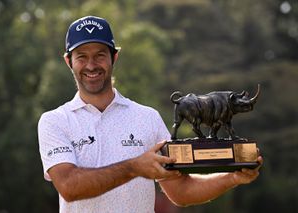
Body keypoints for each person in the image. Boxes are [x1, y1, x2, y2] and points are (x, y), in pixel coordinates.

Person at [38, 15, 263, 213]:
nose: (91, 65)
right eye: (81, 57)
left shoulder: (147, 118)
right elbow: (69, 186)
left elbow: (180, 192)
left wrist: (232, 177)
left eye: (99, 55)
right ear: (69, 61)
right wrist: (134, 167)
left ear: (114, 57)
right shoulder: (55, 121)